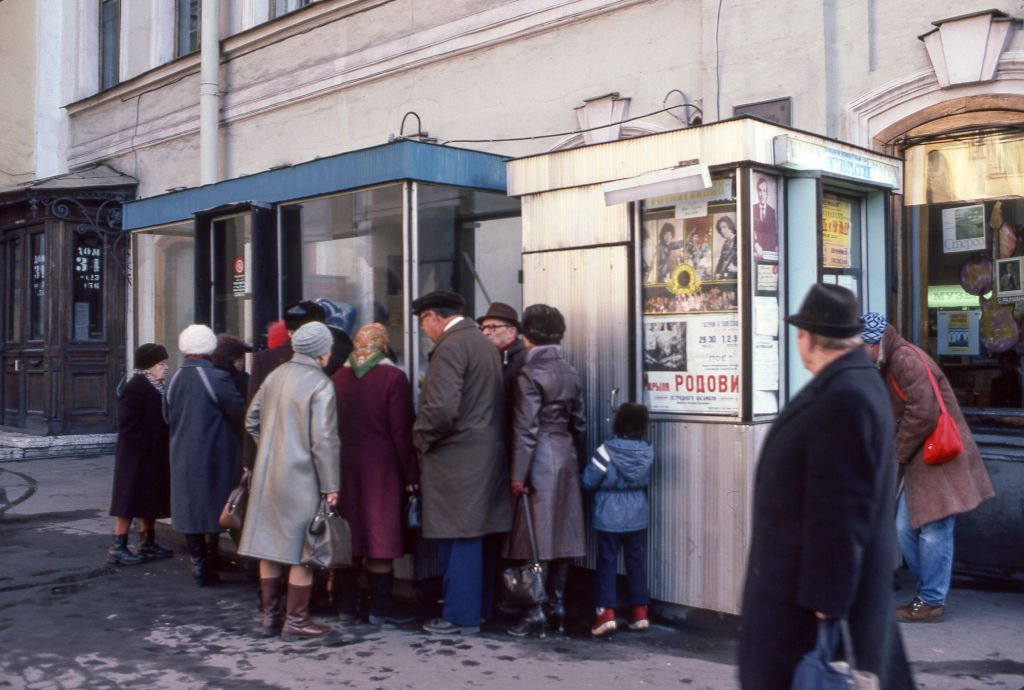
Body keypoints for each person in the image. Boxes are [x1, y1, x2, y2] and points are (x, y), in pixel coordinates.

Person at [738, 284, 914, 689]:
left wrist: (825, 602)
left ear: (809, 338)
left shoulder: (842, 398)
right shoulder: (854, 383)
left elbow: (840, 511)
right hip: (814, 594)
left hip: (803, 606)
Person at [860, 312, 995, 622]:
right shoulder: (891, 358)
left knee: (934, 529)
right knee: (906, 527)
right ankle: (928, 591)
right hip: (926, 455)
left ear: (874, 342)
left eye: (861, 346)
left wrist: (898, 452)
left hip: (938, 453)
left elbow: (923, 412)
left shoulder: (904, 358)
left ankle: (931, 599)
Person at [412, 290, 512, 635]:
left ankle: (460, 615)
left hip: (456, 459)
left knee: (459, 538)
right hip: (486, 455)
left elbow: (440, 410)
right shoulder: (484, 344)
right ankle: (478, 610)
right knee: (478, 536)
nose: (424, 330)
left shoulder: (451, 347)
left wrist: (420, 439)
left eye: (423, 322)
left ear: (433, 317)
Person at [239, 322, 342, 641]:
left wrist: (271, 446)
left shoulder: (275, 375)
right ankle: (296, 621)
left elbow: (251, 420)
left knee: (270, 546)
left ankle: (271, 619)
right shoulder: (320, 384)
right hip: (303, 478)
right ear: (323, 352)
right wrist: (331, 484)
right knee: (303, 550)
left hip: (269, 475)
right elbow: (324, 441)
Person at [505, 304, 587, 637]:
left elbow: (525, 429)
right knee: (563, 535)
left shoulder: (529, 373)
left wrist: (517, 474)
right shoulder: (569, 370)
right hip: (565, 452)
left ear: (527, 335)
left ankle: (534, 610)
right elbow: (579, 422)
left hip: (538, 457)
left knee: (535, 537)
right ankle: (558, 605)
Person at [331, 322, 418, 626]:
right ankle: (381, 609)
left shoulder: (337, 378)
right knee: (380, 536)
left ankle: (347, 608)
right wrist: (411, 474)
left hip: (343, 468)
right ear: (383, 344)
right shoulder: (393, 377)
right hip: (382, 469)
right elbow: (401, 431)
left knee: (349, 537)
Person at [163, 324, 246, 586]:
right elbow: (238, 413)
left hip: (181, 453)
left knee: (190, 508)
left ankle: (199, 560)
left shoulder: (173, 379)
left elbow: (167, 416)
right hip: (216, 452)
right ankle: (209, 558)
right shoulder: (217, 378)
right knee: (215, 505)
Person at [581, 402, 652, 638]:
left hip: (609, 512)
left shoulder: (606, 451)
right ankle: (640, 612)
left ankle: (606, 613)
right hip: (637, 511)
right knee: (635, 561)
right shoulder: (647, 450)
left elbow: (589, 481)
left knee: (607, 562)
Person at [106, 343, 174, 566]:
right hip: (136, 456)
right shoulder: (135, 388)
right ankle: (119, 545)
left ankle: (148, 542)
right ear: (148, 367)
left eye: (165, 363)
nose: (166, 367)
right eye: (161, 364)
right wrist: (149, 441)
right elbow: (127, 425)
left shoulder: (158, 387)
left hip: (152, 454)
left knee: (149, 498)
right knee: (129, 500)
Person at [752, 176, 778, 260]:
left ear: (767, 193)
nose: (762, 194)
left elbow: (773, 234)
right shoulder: (752, 208)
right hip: (755, 253)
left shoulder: (772, 211)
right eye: (759, 190)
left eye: (764, 191)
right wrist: (755, 244)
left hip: (769, 253)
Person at [713, 215, 738, 280]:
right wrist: (717, 273)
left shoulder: (738, 240)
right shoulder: (725, 243)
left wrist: (736, 268)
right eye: (721, 228)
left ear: (730, 227)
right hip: (725, 276)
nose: (722, 231)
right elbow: (721, 260)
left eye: (724, 227)